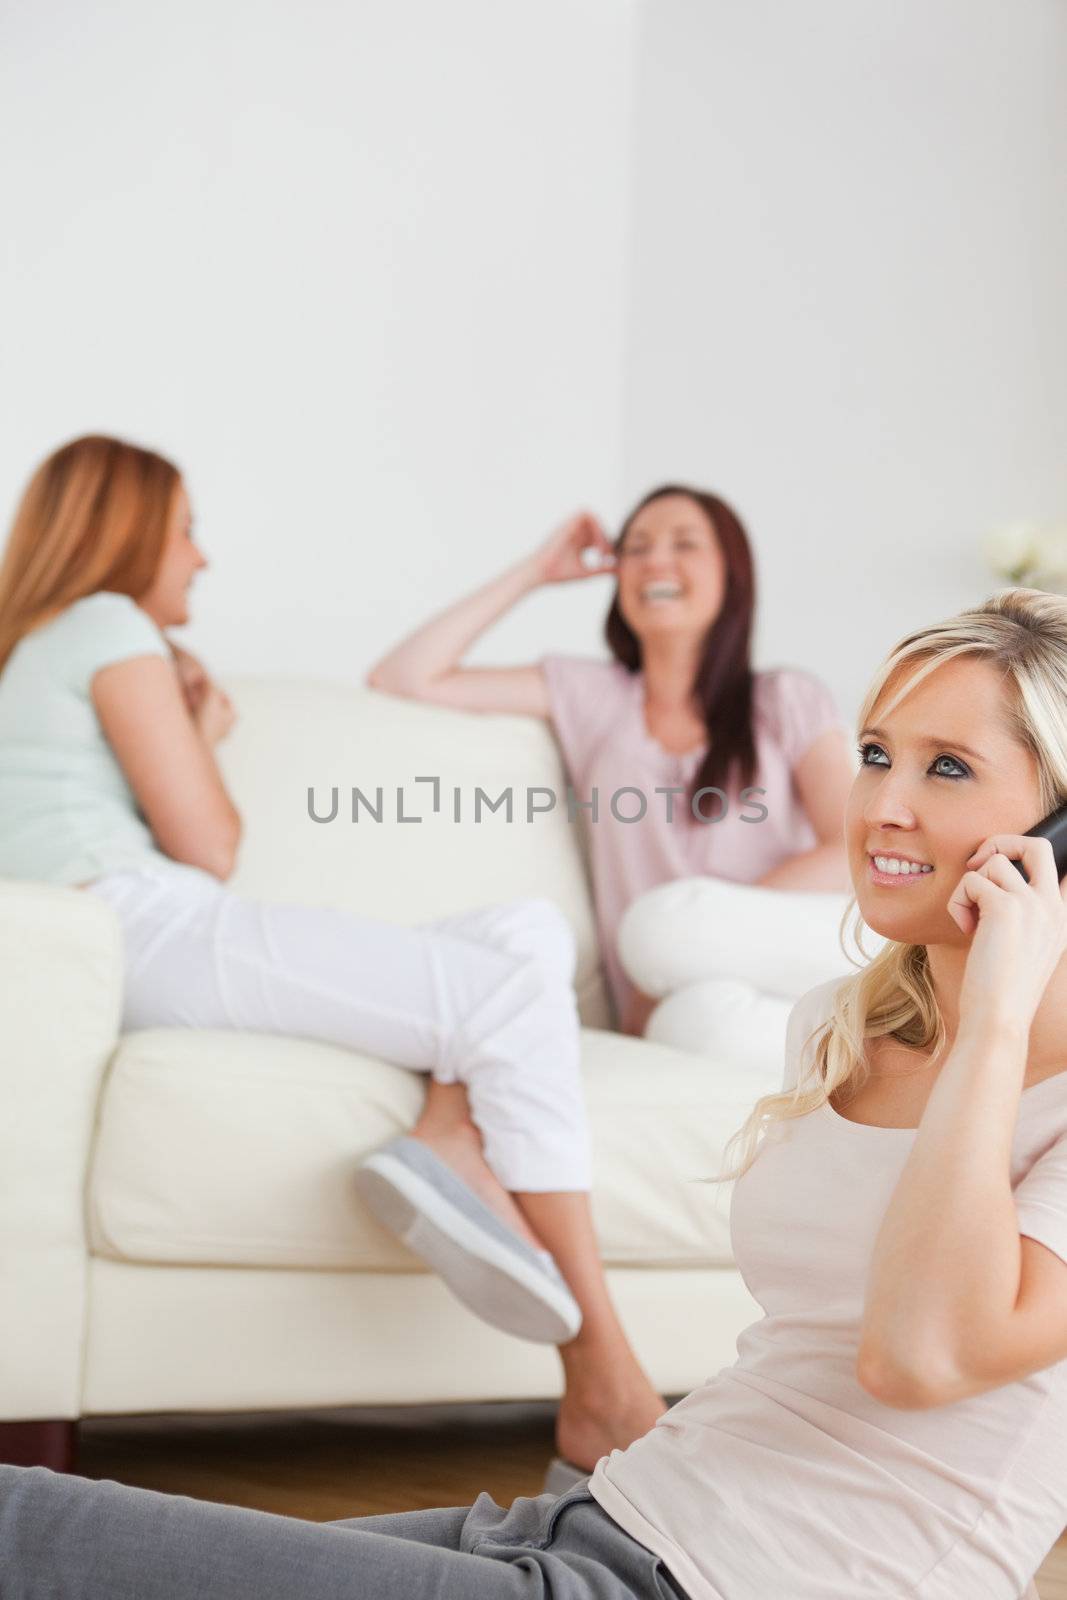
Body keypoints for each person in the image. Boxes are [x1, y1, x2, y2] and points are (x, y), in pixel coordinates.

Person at [5, 588, 1066, 1599]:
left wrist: (996, 1016)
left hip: (722, 1581)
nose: (879, 803)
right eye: (875, 752)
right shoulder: (843, 1026)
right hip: (599, 1519)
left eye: (947, 768)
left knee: (30, 1534)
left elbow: (919, 1351)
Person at [0, 434, 667, 1474]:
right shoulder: (105, 622)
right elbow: (209, 843)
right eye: (185, 529)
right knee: (502, 998)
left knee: (529, 933)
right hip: (143, 924)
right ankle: (603, 1376)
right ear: (126, 534)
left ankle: (450, 1127)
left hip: (132, 930)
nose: (200, 557)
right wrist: (203, 734)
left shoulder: (43, 640)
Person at [367, 487, 858, 1078]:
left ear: (732, 574)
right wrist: (534, 572)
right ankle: (864, 1067)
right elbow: (403, 677)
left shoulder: (784, 698)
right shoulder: (593, 697)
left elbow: (854, 843)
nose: (654, 561)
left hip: (787, 950)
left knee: (663, 928)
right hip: (677, 1001)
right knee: (703, 1027)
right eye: (636, 548)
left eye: (684, 544)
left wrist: (697, 929)